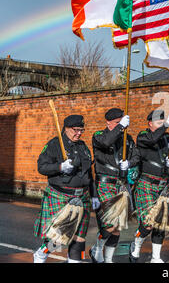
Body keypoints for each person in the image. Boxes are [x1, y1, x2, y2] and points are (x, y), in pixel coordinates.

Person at [33, 115, 99, 263]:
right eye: (76, 130)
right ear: (67, 128)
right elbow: (41, 167)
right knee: (59, 238)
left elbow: (89, 174)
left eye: (81, 130)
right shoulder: (54, 144)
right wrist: (60, 167)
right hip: (61, 195)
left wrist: (94, 195)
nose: (79, 133)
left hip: (83, 197)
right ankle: (41, 253)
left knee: (80, 237)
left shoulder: (83, 146)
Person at [129, 110, 169, 263]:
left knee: (160, 223)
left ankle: (156, 257)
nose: (162, 126)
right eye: (159, 123)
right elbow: (153, 138)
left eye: (163, 123)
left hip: (163, 185)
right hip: (146, 184)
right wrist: (166, 125)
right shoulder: (143, 136)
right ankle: (136, 245)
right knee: (147, 223)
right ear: (150, 124)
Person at [89, 108, 140, 263]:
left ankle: (108, 259)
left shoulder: (127, 138)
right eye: (118, 123)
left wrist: (129, 163)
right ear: (108, 123)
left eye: (122, 122)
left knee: (117, 228)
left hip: (121, 185)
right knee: (110, 225)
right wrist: (120, 128)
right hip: (105, 184)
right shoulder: (99, 136)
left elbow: (137, 156)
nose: (122, 126)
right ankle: (97, 247)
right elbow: (106, 142)